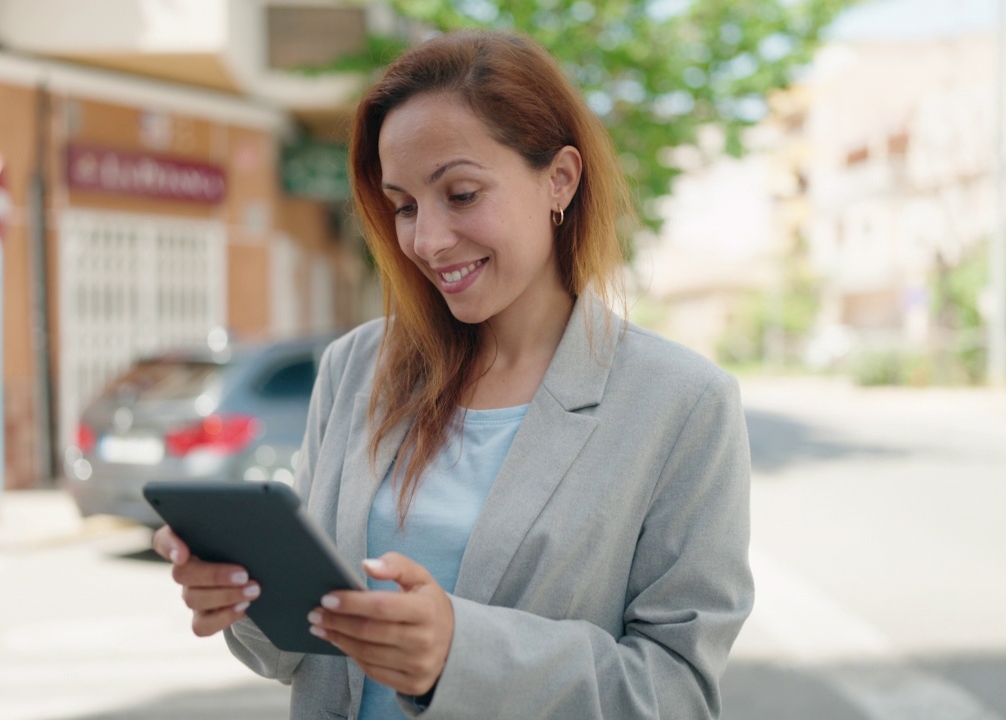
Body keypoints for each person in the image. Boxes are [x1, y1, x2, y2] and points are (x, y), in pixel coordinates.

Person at [153, 28, 753, 719]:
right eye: (404, 205)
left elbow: (678, 693)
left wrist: (459, 656)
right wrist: (244, 596)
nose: (427, 240)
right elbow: (289, 656)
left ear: (559, 179)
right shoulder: (356, 367)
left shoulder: (683, 404)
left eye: (461, 194)